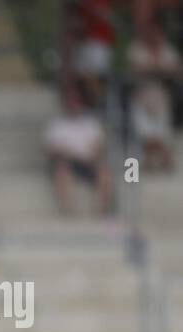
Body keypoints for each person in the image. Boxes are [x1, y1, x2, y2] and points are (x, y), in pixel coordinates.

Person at [44, 87, 113, 215]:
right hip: (68, 163)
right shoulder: (57, 124)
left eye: (75, 101)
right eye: (70, 101)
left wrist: (93, 157)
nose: (73, 104)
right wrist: (68, 154)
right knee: (61, 170)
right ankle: (68, 211)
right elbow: (50, 150)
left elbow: (100, 146)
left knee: (105, 172)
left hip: (89, 162)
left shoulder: (91, 122)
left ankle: (102, 211)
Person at [128, 20, 181, 170]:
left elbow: (175, 72)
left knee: (160, 135)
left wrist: (153, 69)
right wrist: (160, 69)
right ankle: (154, 160)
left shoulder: (168, 50)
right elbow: (136, 70)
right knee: (144, 136)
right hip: (141, 98)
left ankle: (162, 160)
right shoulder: (137, 49)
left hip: (161, 100)